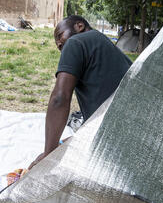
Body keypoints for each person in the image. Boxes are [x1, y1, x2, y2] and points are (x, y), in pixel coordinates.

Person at [29, 15, 132, 169]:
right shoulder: (102, 42)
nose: (58, 43)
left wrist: (48, 154)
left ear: (79, 26)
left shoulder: (75, 42)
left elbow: (59, 99)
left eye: (59, 35)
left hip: (112, 143)